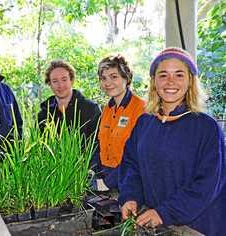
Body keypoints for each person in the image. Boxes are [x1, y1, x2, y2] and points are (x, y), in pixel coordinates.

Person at [119, 47, 226, 235]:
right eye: (163, 75)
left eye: (179, 75)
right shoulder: (145, 123)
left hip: (199, 225)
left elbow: (208, 183)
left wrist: (165, 212)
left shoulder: (206, 127)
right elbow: (131, 165)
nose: (170, 82)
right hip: (158, 223)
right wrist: (130, 197)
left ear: (190, 81)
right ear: (154, 82)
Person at [90, 55, 145, 191]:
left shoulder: (141, 109)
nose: (107, 83)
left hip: (130, 181)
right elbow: (99, 145)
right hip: (106, 177)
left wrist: (108, 183)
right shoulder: (107, 109)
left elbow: (138, 156)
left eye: (114, 77)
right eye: (103, 78)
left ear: (126, 78)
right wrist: (93, 172)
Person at [38, 60, 101, 143]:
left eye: (64, 80)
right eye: (55, 81)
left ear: (71, 81)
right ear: (49, 84)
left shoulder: (91, 109)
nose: (60, 85)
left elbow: (99, 143)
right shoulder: (43, 114)